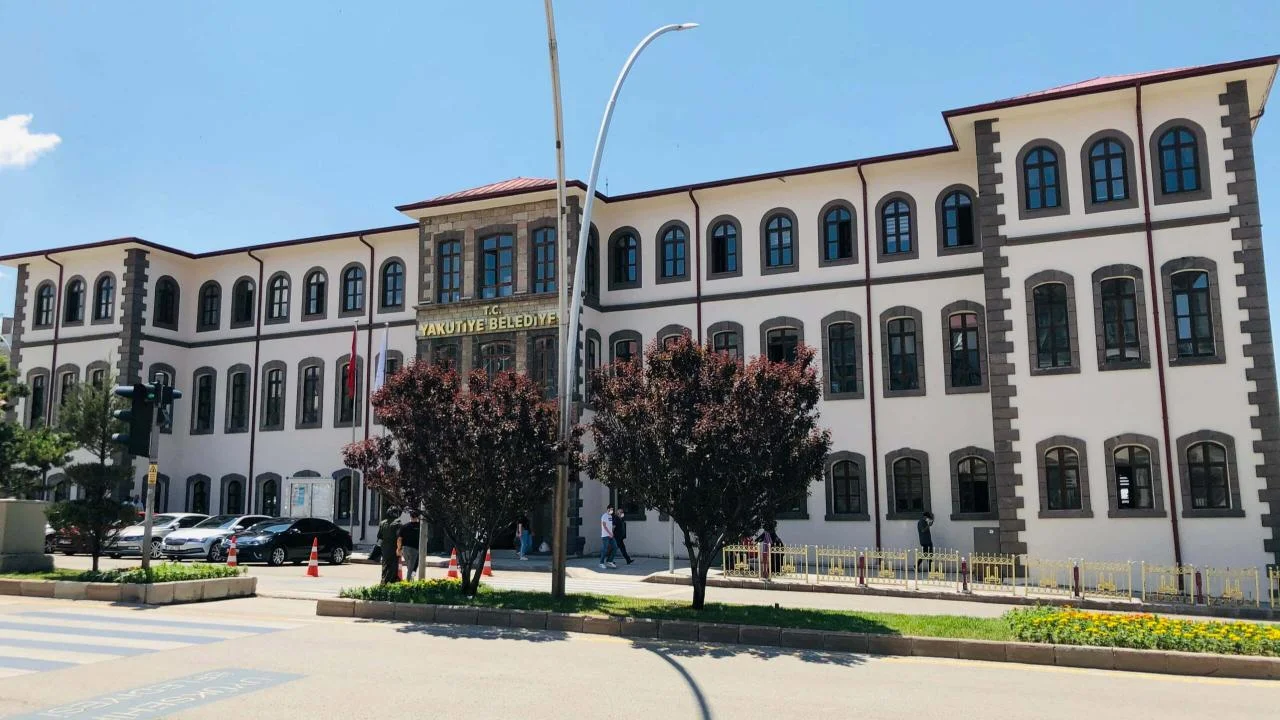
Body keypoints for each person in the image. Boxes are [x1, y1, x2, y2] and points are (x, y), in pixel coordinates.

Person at [377, 507, 402, 584]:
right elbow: (399, 538)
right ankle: (390, 583)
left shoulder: (382, 523)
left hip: (384, 548)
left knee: (385, 565)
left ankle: (383, 581)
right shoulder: (398, 523)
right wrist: (399, 549)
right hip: (393, 547)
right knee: (393, 566)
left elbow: (379, 536)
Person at [398, 511, 421, 580]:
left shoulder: (404, 526)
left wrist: (399, 549)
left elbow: (399, 539)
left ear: (410, 516)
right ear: (417, 517)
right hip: (414, 549)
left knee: (410, 566)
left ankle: (411, 579)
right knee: (412, 567)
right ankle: (408, 582)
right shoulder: (420, 526)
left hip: (405, 549)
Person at [598, 504, 617, 569]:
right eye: (611, 509)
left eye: (612, 509)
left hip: (610, 535)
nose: (612, 510)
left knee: (615, 547)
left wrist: (612, 533)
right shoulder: (604, 516)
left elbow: (610, 526)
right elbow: (604, 526)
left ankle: (609, 561)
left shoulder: (610, 516)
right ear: (608, 509)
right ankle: (601, 563)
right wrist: (609, 533)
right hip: (605, 536)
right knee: (605, 549)